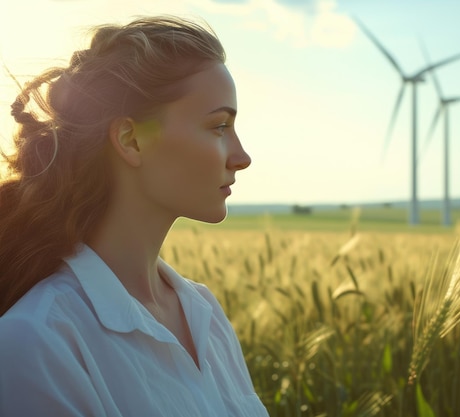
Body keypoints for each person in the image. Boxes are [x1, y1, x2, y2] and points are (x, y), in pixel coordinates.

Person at [0, 16, 269, 416]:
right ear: (131, 140)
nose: (242, 157)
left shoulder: (204, 312)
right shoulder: (38, 341)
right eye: (218, 126)